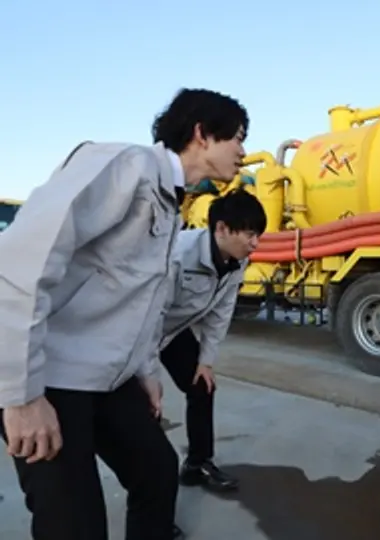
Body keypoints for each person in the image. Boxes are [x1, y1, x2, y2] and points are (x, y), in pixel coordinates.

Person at [0, 87, 250, 540]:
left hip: (107, 378)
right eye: (237, 136)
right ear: (202, 133)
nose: (244, 151)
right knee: (73, 525)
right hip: (49, 378)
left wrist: (145, 370)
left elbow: (142, 303)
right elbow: (19, 267)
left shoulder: (173, 203)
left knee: (157, 471)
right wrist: (20, 396)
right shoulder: (124, 166)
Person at [154, 186, 266, 492]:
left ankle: (197, 464)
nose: (255, 243)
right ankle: (152, 512)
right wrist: (146, 375)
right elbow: (148, 314)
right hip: (137, 335)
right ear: (221, 229)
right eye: (249, 234)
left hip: (172, 332)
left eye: (258, 235)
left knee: (202, 387)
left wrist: (205, 362)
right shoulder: (177, 255)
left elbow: (220, 314)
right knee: (145, 411)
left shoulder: (236, 262)